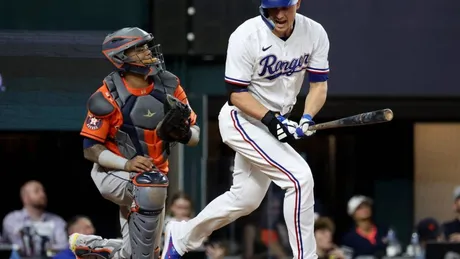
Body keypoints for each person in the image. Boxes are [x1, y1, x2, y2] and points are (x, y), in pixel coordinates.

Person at [163, 0, 330, 258]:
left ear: (297, 3)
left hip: (273, 123)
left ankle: (182, 236)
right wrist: (273, 121)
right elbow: (236, 95)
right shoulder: (246, 35)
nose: (278, 14)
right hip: (242, 119)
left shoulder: (315, 32)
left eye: (284, 6)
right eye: (271, 8)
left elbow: (318, 85)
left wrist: (307, 117)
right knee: (299, 179)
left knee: (245, 199)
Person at [69, 27, 200, 259]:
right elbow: (90, 149)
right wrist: (127, 164)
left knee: (147, 255)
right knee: (150, 185)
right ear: (121, 57)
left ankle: (100, 248)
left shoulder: (170, 85)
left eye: (147, 47)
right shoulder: (106, 96)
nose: (148, 53)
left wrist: (183, 133)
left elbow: (195, 135)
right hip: (112, 173)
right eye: (139, 49)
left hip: (155, 177)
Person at [2, 180, 68, 257]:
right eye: (37, 191)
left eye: (43, 191)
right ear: (25, 198)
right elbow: (13, 248)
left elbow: (63, 247)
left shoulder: (57, 221)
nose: (43, 194)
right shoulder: (12, 220)